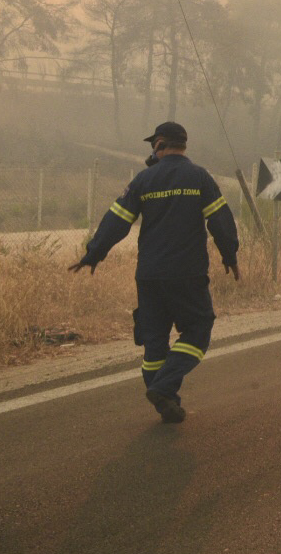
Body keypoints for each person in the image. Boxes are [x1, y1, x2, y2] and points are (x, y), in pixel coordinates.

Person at [68, 121, 240, 423]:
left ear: (160, 144)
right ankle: (163, 388)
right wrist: (230, 254)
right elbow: (220, 221)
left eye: (153, 146)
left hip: (149, 276)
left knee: (154, 341)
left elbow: (117, 220)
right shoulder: (200, 177)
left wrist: (94, 254)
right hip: (187, 273)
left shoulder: (143, 180)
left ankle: (166, 402)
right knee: (199, 329)